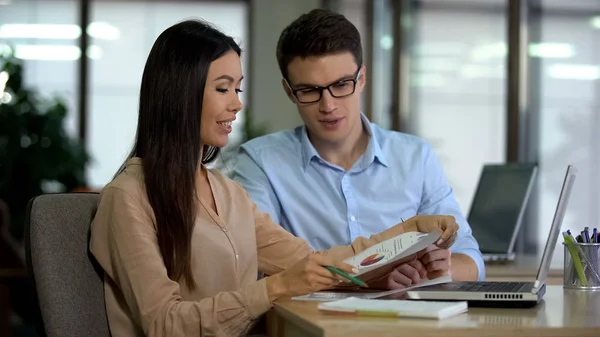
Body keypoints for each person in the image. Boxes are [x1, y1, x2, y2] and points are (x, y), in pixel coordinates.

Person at [89, 19, 460, 337]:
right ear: (179, 95)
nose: (237, 104)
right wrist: (276, 288)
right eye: (223, 89)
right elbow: (164, 325)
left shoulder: (226, 191)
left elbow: (315, 263)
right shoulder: (129, 196)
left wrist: (409, 234)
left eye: (237, 88)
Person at [232, 8, 485, 289]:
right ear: (290, 91)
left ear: (362, 78)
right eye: (309, 91)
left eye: (341, 84)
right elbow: (254, 263)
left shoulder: (415, 157)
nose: (327, 105)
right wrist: (372, 276)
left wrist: (443, 267)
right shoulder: (260, 162)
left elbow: (471, 258)